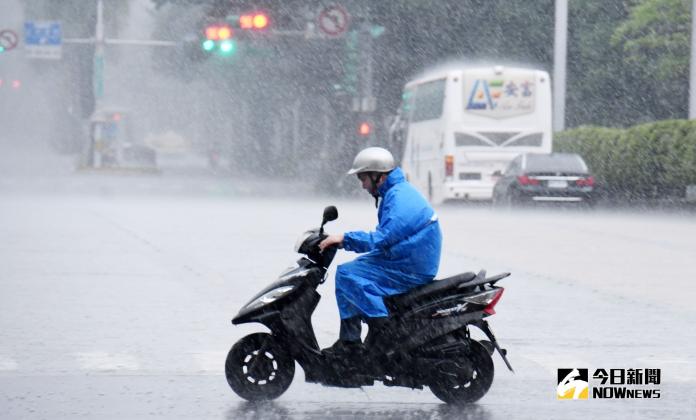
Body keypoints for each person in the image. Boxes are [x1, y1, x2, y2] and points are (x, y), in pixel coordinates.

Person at [318, 147, 442, 356]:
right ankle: (353, 340)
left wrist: (344, 238)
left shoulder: (398, 197)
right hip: (404, 256)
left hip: (410, 264)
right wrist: (344, 241)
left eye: (364, 179)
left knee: (349, 275)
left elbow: (382, 237)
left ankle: (380, 332)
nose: (363, 185)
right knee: (350, 271)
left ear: (379, 176)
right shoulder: (395, 192)